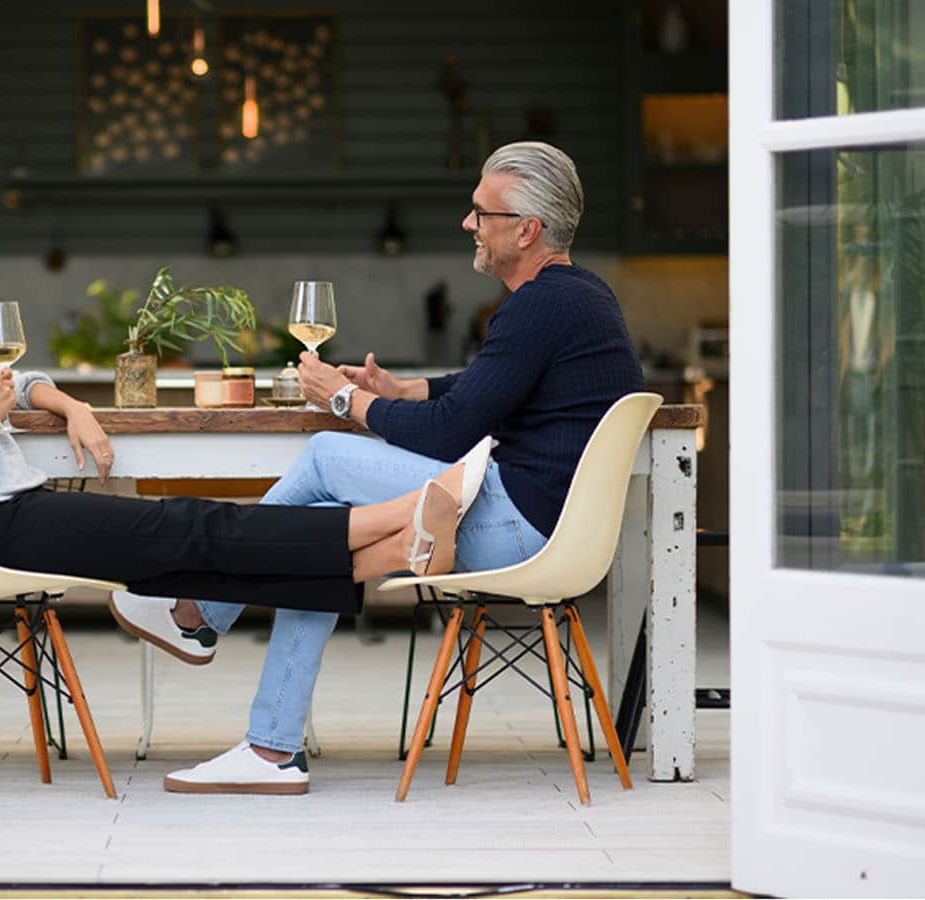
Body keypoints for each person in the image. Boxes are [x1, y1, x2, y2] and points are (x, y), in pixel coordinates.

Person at [109, 141, 646, 795]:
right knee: (322, 535)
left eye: (481, 212)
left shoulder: (539, 305)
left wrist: (345, 399)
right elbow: (481, 385)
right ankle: (270, 748)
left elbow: (453, 432)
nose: (468, 224)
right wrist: (399, 391)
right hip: (542, 518)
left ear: (526, 230)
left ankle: (198, 611)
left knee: (326, 454)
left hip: (523, 525)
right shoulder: (577, 297)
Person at [0, 220, 487, 618]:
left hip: (9, 522)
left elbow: (19, 383)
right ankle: (403, 515)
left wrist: (70, 405)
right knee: (195, 526)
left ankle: (399, 549)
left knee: (192, 559)